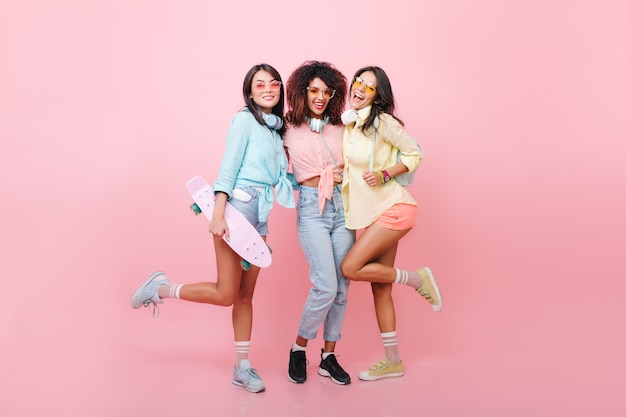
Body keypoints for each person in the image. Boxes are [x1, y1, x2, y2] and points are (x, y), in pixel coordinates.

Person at [130, 63, 294, 393]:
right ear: (249, 92)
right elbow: (228, 168)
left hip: (261, 213)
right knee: (226, 294)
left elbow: (282, 177)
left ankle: (242, 368)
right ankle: (160, 289)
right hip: (237, 207)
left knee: (246, 295)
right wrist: (218, 213)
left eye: (273, 84)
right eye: (259, 84)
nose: (267, 89)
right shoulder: (244, 121)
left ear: (280, 91)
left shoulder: (277, 130)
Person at [339, 66, 443, 381]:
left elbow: (414, 154)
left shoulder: (382, 122)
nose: (359, 88)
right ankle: (393, 361)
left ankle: (416, 279)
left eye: (368, 87)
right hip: (373, 213)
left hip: (393, 209)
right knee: (380, 289)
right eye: (358, 82)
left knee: (350, 268)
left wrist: (385, 174)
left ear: (378, 96)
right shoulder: (352, 123)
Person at [282, 61, 354, 385]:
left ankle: (328, 357)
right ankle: (299, 347)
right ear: (302, 92)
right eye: (314, 90)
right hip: (312, 207)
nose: (320, 97)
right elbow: (266, 163)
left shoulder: (342, 127)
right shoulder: (285, 127)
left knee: (340, 287)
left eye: (326, 91)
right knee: (324, 284)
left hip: (343, 205)